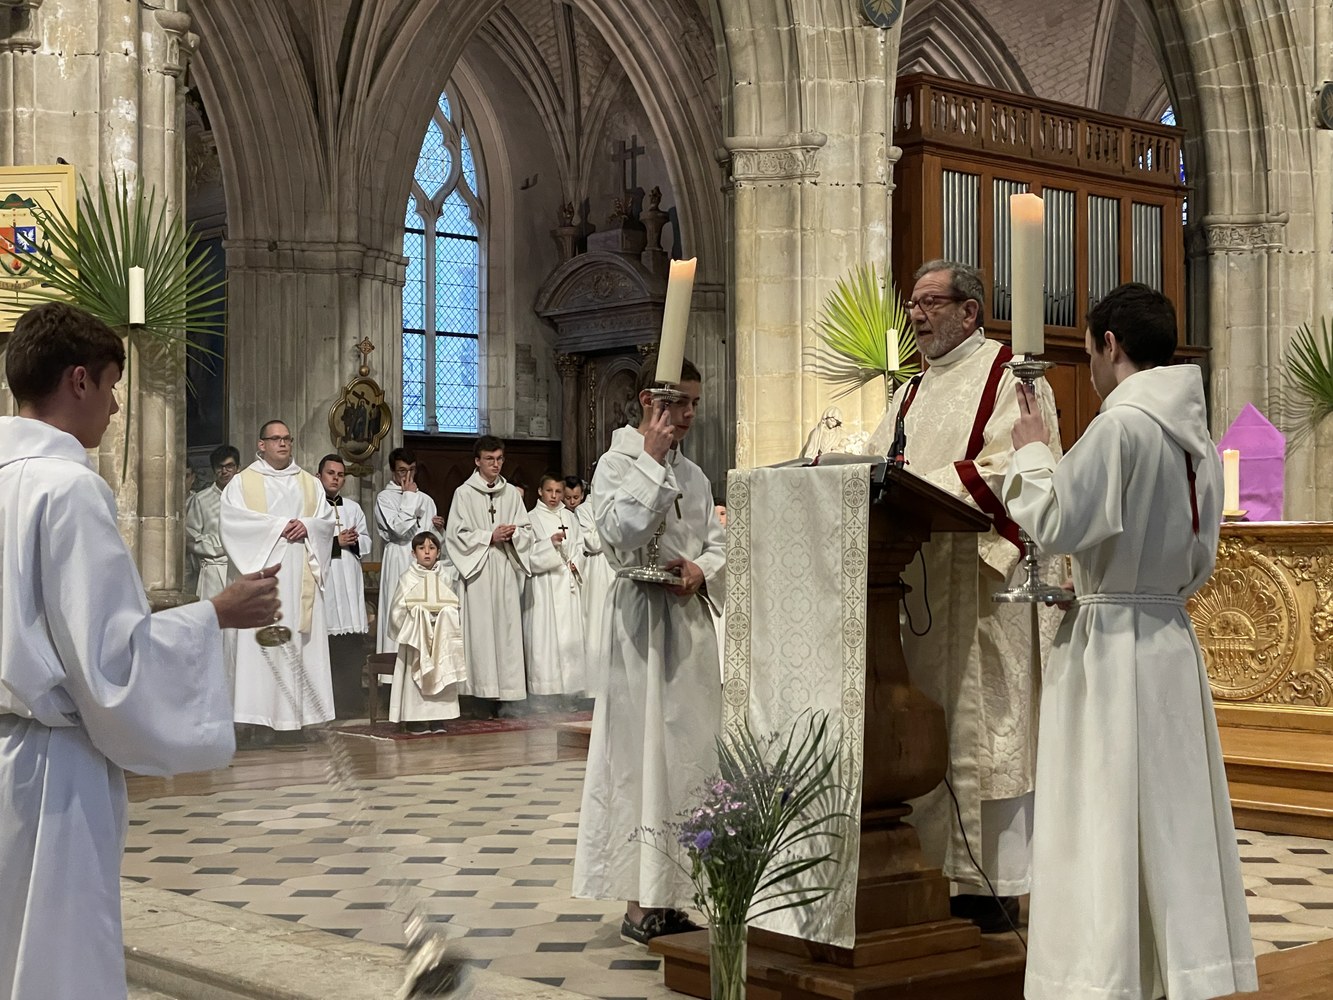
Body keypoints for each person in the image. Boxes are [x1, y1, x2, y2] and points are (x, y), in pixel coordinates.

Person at [0, 301, 279, 1000]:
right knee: (60, 957)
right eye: (113, 384)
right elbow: (109, 662)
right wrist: (214, 614)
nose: (117, 406)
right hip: (50, 770)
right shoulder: (68, 489)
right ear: (80, 381)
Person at [1003, 284, 1257, 1000]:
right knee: (1171, 815)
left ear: (1109, 345)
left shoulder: (1120, 428)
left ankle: (1102, 977)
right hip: (1168, 636)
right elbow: (1198, 554)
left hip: (1109, 646)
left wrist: (1031, 453)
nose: (1089, 366)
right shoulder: (1197, 439)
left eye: (1088, 351)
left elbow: (1055, 521)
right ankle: (1181, 971)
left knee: (1103, 812)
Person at [864, 259, 1061, 931]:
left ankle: (989, 888)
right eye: (912, 304)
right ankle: (930, 875)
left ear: (969, 311)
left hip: (979, 591)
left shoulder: (1011, 377)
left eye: (930, 303)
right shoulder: (909, 391)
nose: (915, 315)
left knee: (985, 736)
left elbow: (1016, 470)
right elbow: (880, 468)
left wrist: (921, 493)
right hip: (917, 585)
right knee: (925, 724)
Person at [573, 355, 725, 945]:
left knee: (687, 758)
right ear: (648, 402)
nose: (687, 415)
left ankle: (677, 893)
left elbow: (718, 544)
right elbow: (621, 533)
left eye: (693, 404)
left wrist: (702, 569)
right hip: (639, 627)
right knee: (639, 759)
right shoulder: (616, 464)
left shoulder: (697, 476)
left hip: (687, 627)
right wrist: (652, 460)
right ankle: (639, 904)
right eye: (677, 402)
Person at [221, 420, 337, 740]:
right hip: (264, 576)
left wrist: (308, 526)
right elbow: (231, 522)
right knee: (261, 647)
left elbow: (326, 522)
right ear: (261, 445)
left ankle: (299, 720)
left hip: (301, 577)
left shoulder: (309, 483)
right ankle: (258, 721)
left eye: (287, 439)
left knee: (300, 645)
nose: (283, 444)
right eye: (276, 439)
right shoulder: (242, 483)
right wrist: (279, 527)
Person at [445, 436, 537, 714]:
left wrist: (514, 535)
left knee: (506, 630)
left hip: (504, 567)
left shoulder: (511, 494)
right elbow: (455, 535)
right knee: (481, 631)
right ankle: (479, 696)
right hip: (479, 570)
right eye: (489, 459)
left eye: (499, 459)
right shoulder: (464, 493)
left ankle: (506, 695)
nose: (495, 465)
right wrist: (489, 536)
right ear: (477, 461)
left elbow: (528, 531)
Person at [387, 531, 467, 734]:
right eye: (422, 548)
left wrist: (445, 613)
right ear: (413, 554)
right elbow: (396, 611)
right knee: (415, 675)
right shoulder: (407, 578)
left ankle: (438, 718)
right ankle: (415, 719)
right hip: (417, 639)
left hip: (440, 636)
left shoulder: (445, 577)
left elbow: (453, 604)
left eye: (432, 548)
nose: (427, 552)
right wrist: (418, 614)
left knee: (441, 670)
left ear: (438, 553)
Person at [523, 475, 588, 705]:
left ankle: (570, 693)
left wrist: (576, 562)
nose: (554, 496)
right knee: (545, 640)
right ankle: (544, 694)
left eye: (558, 492)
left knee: (570, 638)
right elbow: (527, 555)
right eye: (549, 491)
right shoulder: (530, 518)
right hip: (545, 585)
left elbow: (580, 546)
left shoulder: (570, 517)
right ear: (540, 491)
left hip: (567, 585)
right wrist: (549, 545)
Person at [374, 447, 446, 655]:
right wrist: (408, 497)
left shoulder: (426, 499)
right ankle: (393, 663)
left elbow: (432, 540)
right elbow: (400, 529)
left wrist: (438, 530)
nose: (407, 476)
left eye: (412, 470)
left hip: (421, 562)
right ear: (393, 471)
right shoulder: (385, 498)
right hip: (399, 557)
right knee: (398, 608)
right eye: (402, 471)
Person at [317, 454, 371, 637]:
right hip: (327, 572)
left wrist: (355, 540)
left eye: (340, 475)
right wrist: (336, 542)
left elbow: (367, 542)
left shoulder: (353, 508)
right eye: (331, 473)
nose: (335, 478)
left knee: (352, 626)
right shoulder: (313, 507)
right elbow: (308, 542)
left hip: (350, 570)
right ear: (318, 476)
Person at [571, 476, 614, 697]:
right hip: (597, 570)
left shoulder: (616, 506)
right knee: (596, 624)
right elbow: (592, 541)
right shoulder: (584, 510)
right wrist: (615, 532)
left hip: (616, 569)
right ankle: (594, 687)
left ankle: (616, 686)